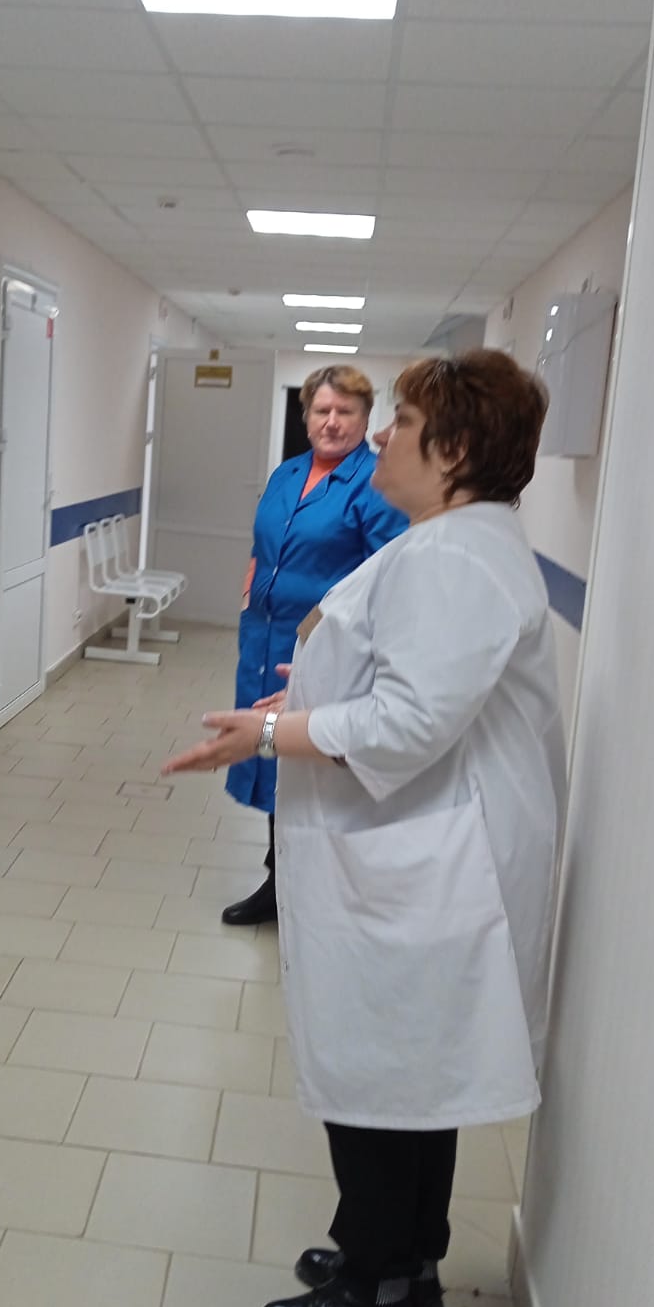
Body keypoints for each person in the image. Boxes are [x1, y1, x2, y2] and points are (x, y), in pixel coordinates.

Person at [164, 349, 566, 1307]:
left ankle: (376, 1285)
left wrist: (269, 732)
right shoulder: (459, 541)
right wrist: (300, 700)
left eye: (405, 422)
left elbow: (406, 721)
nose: (382, 434)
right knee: (412, 1075)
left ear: (455, 449)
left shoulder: (454, 558)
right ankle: (402, 1258)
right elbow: (399, 673)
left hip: (431, 862)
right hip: (428, 850)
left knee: (384, 1071)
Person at [221, 364, 406, 926]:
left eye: (345, 411)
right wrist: (253, 588)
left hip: (327, 650)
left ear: (366, 419)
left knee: (313, 766)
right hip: (265, 640)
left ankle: (312, 888)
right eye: (322, 410)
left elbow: (388, 576)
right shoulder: (288, 474)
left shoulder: (375, 485)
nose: (332, 422)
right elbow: (264, 545)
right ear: (305, 417)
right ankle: (279, 876)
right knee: (274, 759)